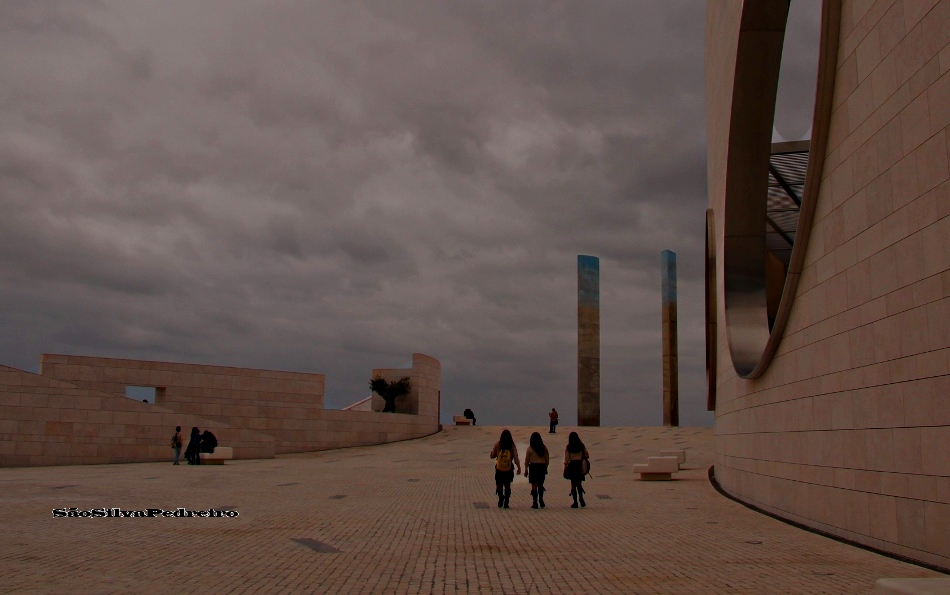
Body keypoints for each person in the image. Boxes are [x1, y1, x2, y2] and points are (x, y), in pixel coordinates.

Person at [490, 429, 521, 508]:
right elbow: (516, 457)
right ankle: (506, 502)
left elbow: (493, 455)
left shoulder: (498, 444)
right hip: (508, 468)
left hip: (499, 469)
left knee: (499, 484)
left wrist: (492, 454)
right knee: (507, 485)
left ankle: (501, 498)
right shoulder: (512, 445)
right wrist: (519, 467)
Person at [523, 432, 549, 509]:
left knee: (534, 485)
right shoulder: (544, 448)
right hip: (541, 467)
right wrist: (546, 468)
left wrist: (526, 469)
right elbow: (547, 459)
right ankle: (541, 499)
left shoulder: (530, 449)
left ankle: (535, 502)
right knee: (540, 484)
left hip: (533, 467)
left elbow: (527, 460)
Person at [564, 431, 589, 508]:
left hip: (572, 466)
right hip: (579, 465)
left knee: (573, 484)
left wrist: (565, 469)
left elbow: (567, 459)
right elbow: (587, 455)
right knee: (579, 483)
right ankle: (581, 498)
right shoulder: (581, 445)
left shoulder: (568, 447)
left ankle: (575, 502)